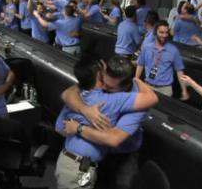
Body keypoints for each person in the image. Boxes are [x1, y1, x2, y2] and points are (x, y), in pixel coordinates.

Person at [55, 56, 158, 189]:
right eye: (102, 81)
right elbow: (69, 94)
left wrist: (79, 128)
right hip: (93, 157)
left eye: (109, 87)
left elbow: (113, 139)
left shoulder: (133, 102)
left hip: (122, 154)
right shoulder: (95, 90)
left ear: (125, 86)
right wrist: (85, 110)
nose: (102, 87)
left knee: (122, 185)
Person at [136, 20, 189, 99]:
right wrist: (136, 80)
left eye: (166, 32)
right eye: (161, 32)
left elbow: (179, 71)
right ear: (155, 32)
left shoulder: (173, 50)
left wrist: (184, 90)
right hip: (147, 86)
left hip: (165, 90)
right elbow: (140, 64)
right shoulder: (146, 48)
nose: (164, 35)